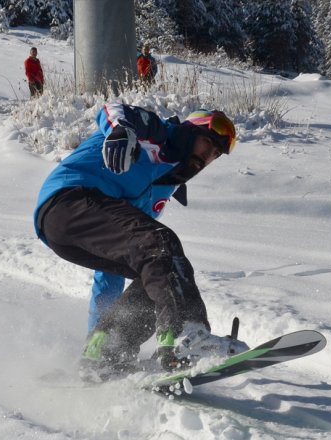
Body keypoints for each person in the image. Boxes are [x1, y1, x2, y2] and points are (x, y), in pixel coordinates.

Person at [33, 103, 249, 380]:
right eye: (206, 143)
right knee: (161, 244)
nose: (207, 156)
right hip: (67, 201)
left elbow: (115, 266)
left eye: (215, 154)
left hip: (69, 233)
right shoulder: (157, 132)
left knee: (159, 270)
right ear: (188, 132)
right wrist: (121, 132)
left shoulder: (161, 187)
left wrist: (98, 331)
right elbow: (113, 111)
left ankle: (106, 350)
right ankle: (187, 333)